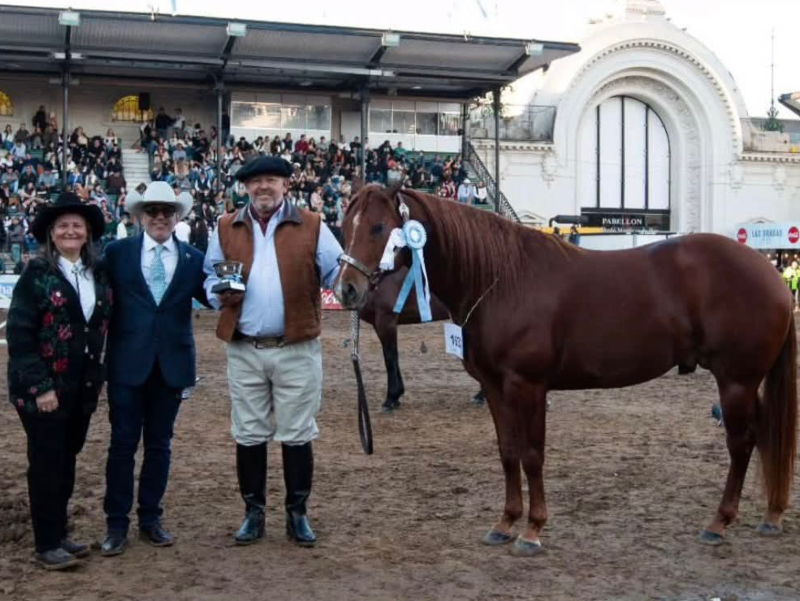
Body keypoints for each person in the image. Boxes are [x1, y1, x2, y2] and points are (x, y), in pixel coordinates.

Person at [203, 156, 342, 547]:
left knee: (297, 433)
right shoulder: (226, 226)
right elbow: (209, 272)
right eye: (255, 182)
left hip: (296, 346)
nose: (263, 187)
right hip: (244, 347)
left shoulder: (313, 226)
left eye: (271, 180)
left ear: (286, 186)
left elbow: (335, 273)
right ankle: (253, 512)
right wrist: (219, 294)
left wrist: (353, 284)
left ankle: (297, 513)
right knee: (248, 433)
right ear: (245, 188)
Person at [100, 181, 208, 557]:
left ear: (176, 216)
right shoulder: (116, 254)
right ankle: (116, 523)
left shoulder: (194, 258)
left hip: (172, 366)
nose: (160, 218)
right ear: (139, 216)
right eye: (152, 211)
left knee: (160, 445)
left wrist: (233, 290)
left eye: (166, 212)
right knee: (122, 445)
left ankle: (150, 518)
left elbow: (212, 294)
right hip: (127, 366)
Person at [7, 193, 112, 570]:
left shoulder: (97, 273)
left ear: (87, 234)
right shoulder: (36, 275)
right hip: (44, 390)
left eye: (77, 226)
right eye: (63, 226)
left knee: (67, 459)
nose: (70, 231)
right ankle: (46, 542)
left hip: (81, 387)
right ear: (52, 234)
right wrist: (41, 387)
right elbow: (20, 336)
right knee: (47, 462)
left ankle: (59, 532)